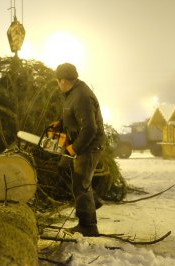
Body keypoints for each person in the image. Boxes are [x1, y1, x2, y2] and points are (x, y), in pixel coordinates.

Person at [51, 63, 105, 236]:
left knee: (80, 184)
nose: (58, 85)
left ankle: (88, 226)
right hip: (81, 142)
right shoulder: (73, 92)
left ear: (64, 80)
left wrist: (74, 148)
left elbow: (90, 128)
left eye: (58, 82)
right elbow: (73, 114)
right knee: (64, 169)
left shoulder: (82, 96)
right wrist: (60, 123)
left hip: (89, 145)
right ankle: (93, 200)